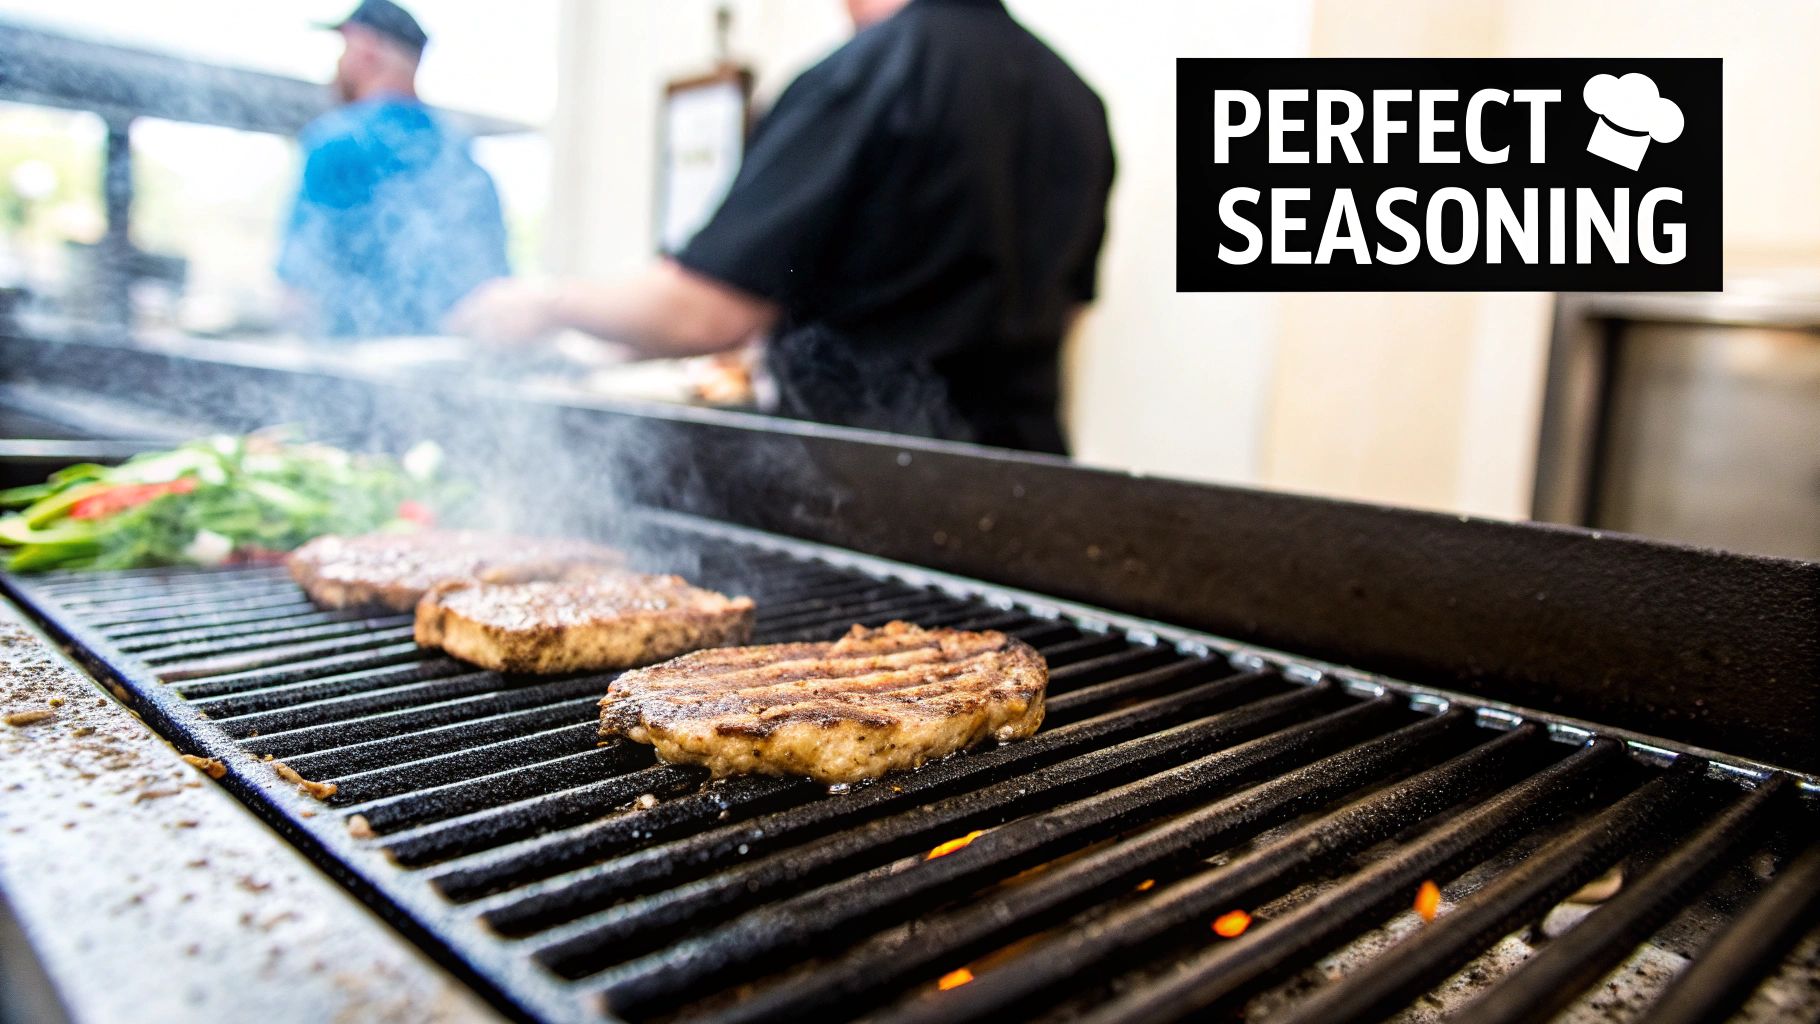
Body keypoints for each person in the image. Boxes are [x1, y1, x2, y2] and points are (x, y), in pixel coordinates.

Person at [449, 0, 1114, 454]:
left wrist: (542, 303)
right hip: (1032, 481)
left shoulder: (865, 74)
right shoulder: (1080, 103)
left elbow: (704, 312)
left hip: (869, 483)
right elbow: (1071, 315)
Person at [278, 0, 509, 338]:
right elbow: (493, 297)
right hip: (449, 373)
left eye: (344, 48)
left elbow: (298, 294)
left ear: (365, 48)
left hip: (350, 373)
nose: (339, 63)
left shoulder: (337, 141)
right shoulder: (461, 154)